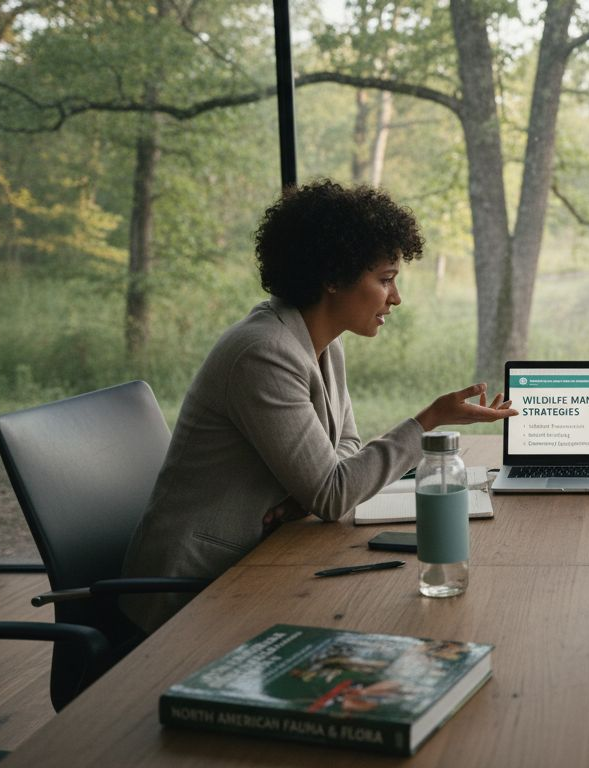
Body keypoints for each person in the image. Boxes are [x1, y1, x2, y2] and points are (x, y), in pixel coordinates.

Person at [121, 180, 517, 634]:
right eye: (385, 279)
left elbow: (342, 449)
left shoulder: (322, 345)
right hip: (189, 593)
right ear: (332, 277)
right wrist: (428, 422)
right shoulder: (263, 352)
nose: (396, 297)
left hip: (259, 560)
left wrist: (308, 492)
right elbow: (333, 494)